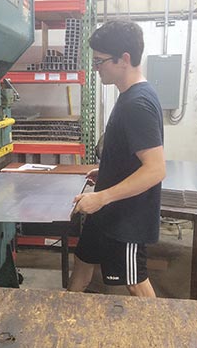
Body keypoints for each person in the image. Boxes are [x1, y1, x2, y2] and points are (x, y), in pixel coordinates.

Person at [68, 19, 165, 297]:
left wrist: (101, 197)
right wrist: (106, 171)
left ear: (124, 59)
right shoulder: (128, 96)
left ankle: (156, 335)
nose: (96, 68)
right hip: (106, 211)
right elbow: (131, 153)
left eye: (100, 62)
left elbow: (155, 170)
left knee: (135, 282)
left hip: (126, 218)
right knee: (82, 263)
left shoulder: (138, 104)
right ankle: (62, 318)